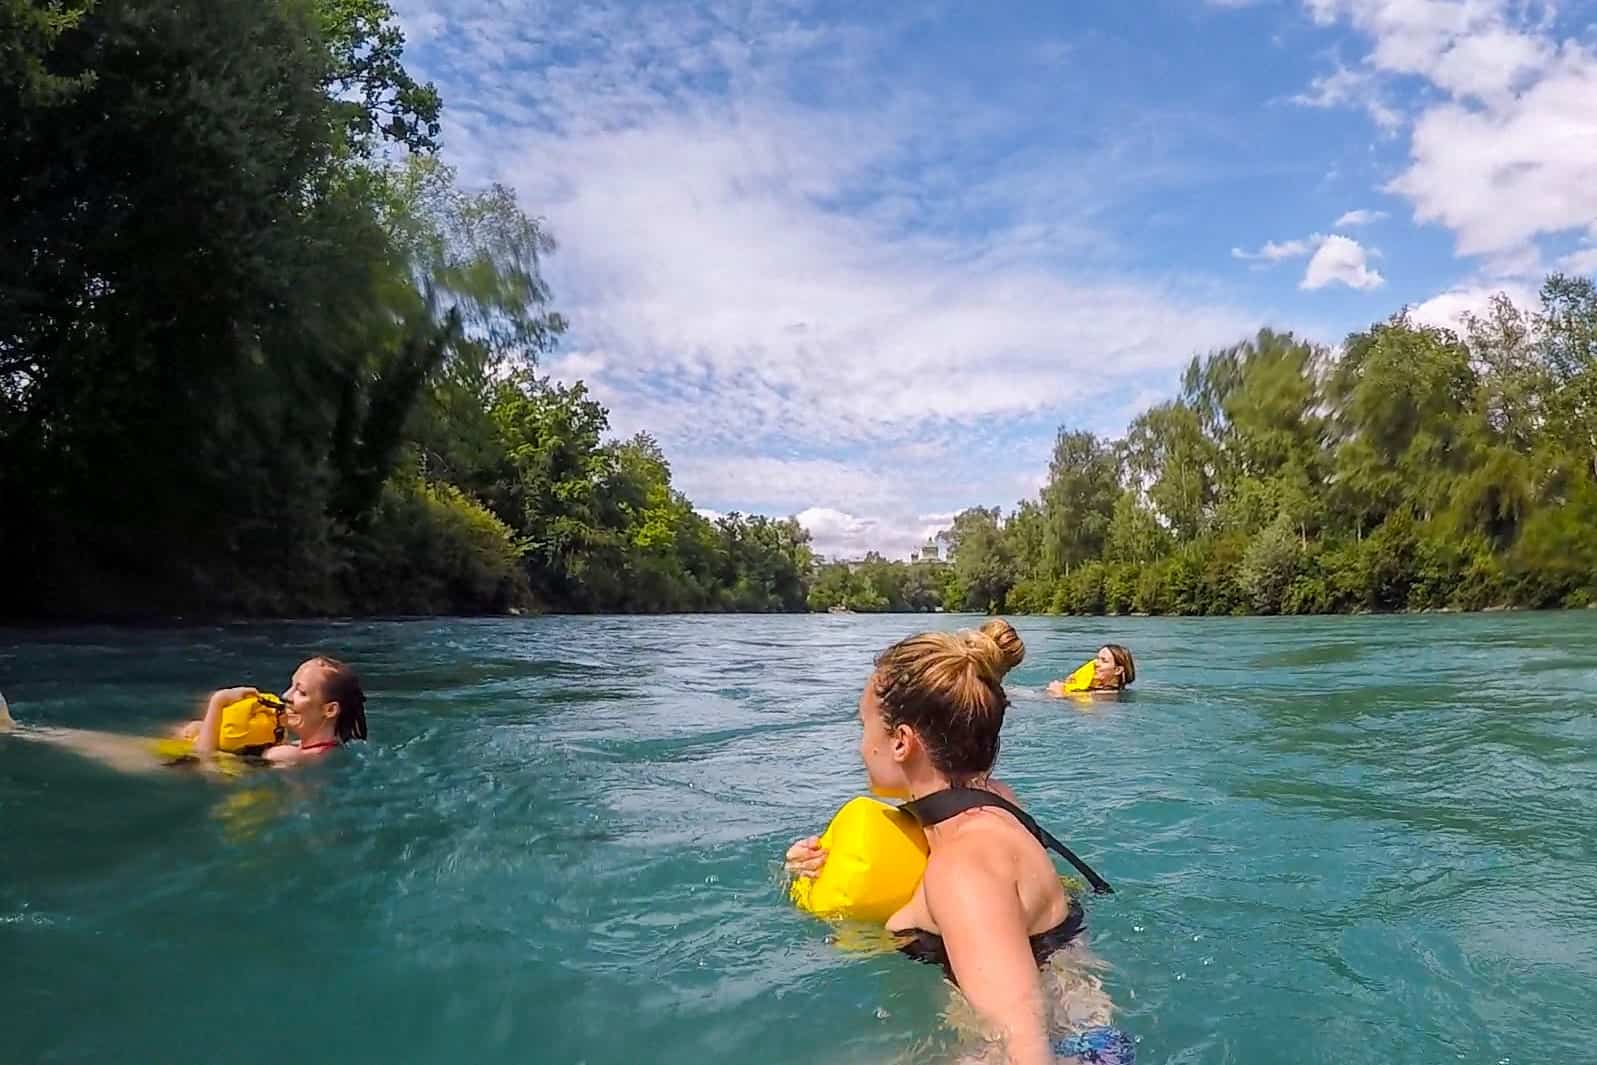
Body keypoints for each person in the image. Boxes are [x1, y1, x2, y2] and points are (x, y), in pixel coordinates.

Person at [785, 620, 1132, 1065]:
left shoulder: (963, 867)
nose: (860, 747)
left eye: (863, 726)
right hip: (1090, 1035)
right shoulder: (992, 803)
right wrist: (819, 868)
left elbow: (1022, 1046)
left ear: (900, 743)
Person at [0, 656, 366, 773]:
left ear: (329, 709)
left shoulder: (288, 754)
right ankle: (19, 731)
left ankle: (15, 732)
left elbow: (206, 763)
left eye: (300, 692)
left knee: (91, 743)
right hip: (185, 760)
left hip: (177, 768)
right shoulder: (324, 752)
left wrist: (218, 704)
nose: (286, 697)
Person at [1047, 644, 1135, 697]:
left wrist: (1059, 693)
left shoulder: (1107, 696)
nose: (1095, 663)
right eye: (1097, 658)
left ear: (1117, 670)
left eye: (1104, 660)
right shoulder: (1095, 689)